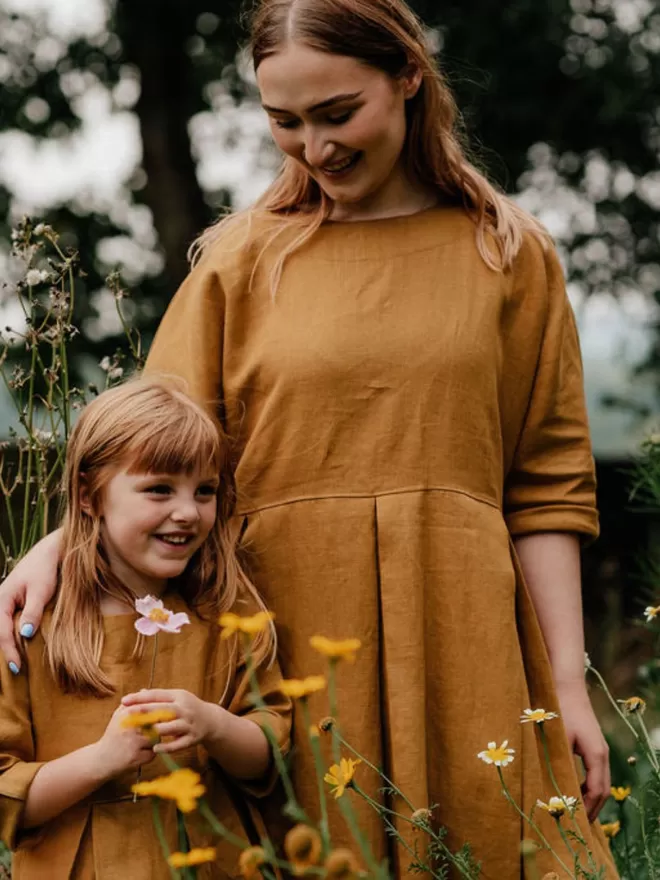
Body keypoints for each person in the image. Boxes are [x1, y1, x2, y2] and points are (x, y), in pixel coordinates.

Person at [0, 0, 618, 876]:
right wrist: (56, 544)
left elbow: (547, 487)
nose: (315, 148)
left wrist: (565, 685)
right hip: (280, 634)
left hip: (465, 635)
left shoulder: (509, 254)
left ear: (409, 77)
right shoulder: (241, 260)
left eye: (338, 114)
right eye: (284, 122)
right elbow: (148, 449)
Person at [0, 378, 290, 879]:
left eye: (205, 491)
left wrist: (213, 726)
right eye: (159, 489)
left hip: (212, 859)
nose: (187, 512)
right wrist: (102, 759)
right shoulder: (33, 622)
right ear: (90, 496)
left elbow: (273, 753)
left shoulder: (224, 608)